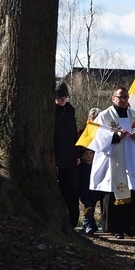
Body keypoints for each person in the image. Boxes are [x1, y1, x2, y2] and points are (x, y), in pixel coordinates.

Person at [89, 87, 135, 239]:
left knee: (133, 193)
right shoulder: (104, 116)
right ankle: (115, 228)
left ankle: (130, 226)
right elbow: (95, 138)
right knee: (113, 194)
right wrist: (115, 137)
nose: (123, 100)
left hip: (132, 160)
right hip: (113, 161)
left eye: (126, 97)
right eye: (120, 97)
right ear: (113, 98)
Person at [54, 82, 79, 227]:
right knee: (61, 191)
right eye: (59, 97)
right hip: (57, 157)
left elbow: (73, 133)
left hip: (70, 157)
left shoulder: (70, 110)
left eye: (64, 97)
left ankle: (73, 221)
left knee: (73, 192)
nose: (62, 100)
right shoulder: (51, 110)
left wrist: (77, 153)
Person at [78, 148, 106, 235]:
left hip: (94, 192)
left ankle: (89, 224)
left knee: (92, 209)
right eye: (86, 153)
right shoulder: (80, 167)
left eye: (90, 153)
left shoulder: (96, 166)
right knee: (88, 208)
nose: (88, 155)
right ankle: (89, 226)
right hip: (85, 192)